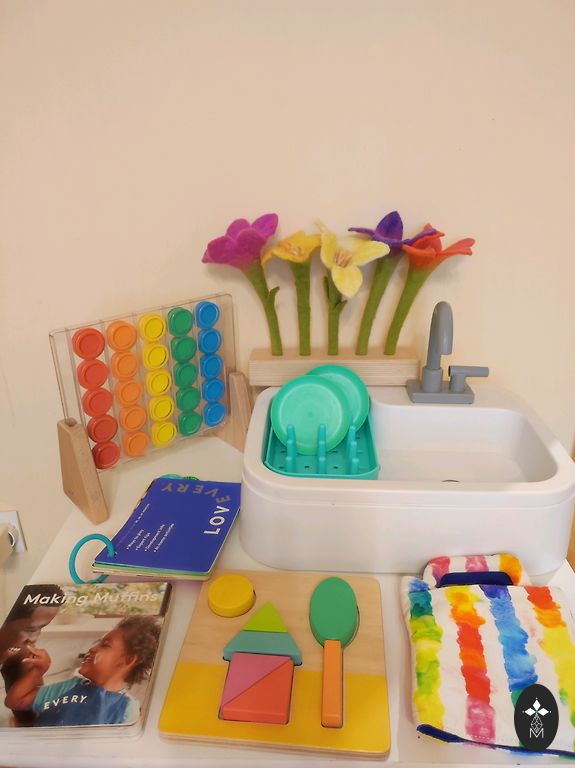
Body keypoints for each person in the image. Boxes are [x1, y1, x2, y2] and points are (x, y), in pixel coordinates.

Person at [5, 615, 161, 727]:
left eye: (105, 645)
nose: (93, 648)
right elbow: (14, 701)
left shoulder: (127, 708)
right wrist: (38, 670)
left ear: (127, 660)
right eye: (97, 642)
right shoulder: (69, 687)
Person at [0, 584, 64, 726]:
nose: (34, 639)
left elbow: (32, 719)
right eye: (30, 629)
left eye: (41, 628)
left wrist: (36, 672)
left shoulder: (23, 654)